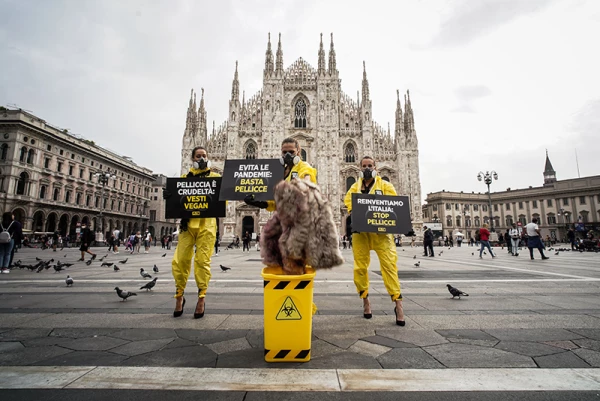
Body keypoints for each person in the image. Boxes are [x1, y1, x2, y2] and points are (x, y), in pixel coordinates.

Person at [244, 137, 319, 313]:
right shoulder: (281, 172)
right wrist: (261, 203)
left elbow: (307, 185)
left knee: (296, 264)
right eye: (284, 152)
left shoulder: (304, 168)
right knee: (287, 265)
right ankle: (297, 304)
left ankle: (303, 307)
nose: (287, 155)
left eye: (290, 152)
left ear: (298, 153)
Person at [344, 156, 405, 326]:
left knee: (389, 266)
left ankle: (398, 304)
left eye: (370, 165)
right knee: (360, 267)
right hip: (361, 234)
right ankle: (365, 301)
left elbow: (394, 205)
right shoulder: (355, 187)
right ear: (359, 167)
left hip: (381, 235)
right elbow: (348, 201)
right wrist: (354, 211)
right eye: (364, 166)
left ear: (375, 167)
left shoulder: (385, 185)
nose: (367, 168)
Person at [164, 146, 219, 318]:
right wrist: (169, 195)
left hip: (207, 226)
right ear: (192, 158)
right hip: (187, 226)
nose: (201, 159)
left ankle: (201, 298)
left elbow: (231, 189)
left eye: (204, 156)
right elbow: (178, 198)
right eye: (198, 156)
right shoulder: (184, 179)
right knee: (180, 261)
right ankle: (179, 296)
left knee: (203, 262)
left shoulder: (216, 178)